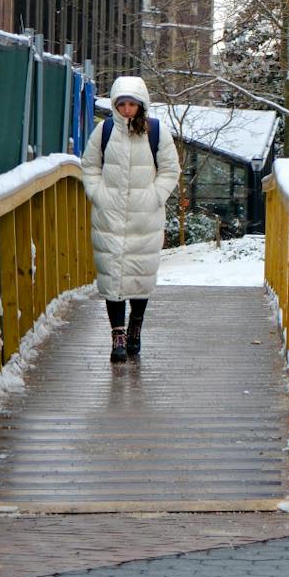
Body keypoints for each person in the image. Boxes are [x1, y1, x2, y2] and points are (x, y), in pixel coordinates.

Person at [80, 76, 181, 364]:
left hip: (144, 217)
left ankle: (136, 325)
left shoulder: (156, 132)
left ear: (141, 105)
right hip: (109, 215)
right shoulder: (104, 130)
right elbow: (89, 166)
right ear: (114, 104)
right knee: (111, 274)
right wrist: (98, 193)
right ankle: (118, 336)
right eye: (121, 104)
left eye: (132, 104)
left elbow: (170, 170)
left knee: (140, 275)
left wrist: (155, 195)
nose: (126, 109)